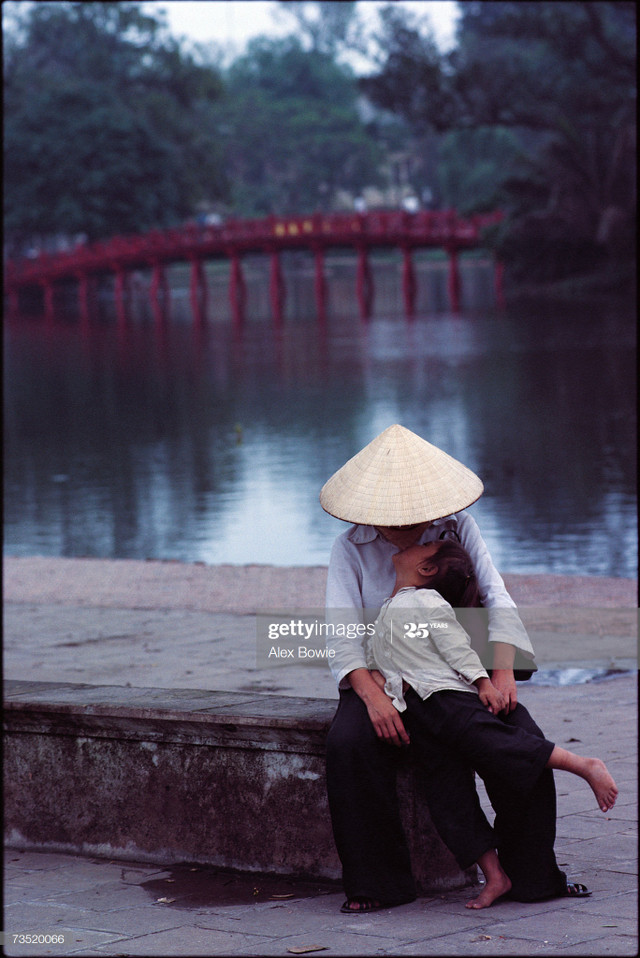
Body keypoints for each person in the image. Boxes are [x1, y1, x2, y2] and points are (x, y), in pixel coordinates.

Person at [320, 424, 593, 913]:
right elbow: (340, 634)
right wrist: (372, 694)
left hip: (459, 673)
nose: (408, 527)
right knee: (349, 744)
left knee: (519, 736)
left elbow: (496, 596)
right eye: (393, 520)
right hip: (380, 676)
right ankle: (378, 885)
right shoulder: (349, 548)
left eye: (415, 518)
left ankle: (532, 876)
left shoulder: (457, 528)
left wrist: (502, 671)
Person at [366, 538, 617, 909]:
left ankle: (583, 765)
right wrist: (379, 691)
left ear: (427, 569)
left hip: (447, 698)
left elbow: (455, 647)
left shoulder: (427, 602)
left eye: (427, 546)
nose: (419, 541)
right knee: (446, 798)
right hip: (417, 713)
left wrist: (483, 682)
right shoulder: (388, 609)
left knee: (501, 743)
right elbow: (376, 659)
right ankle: (495, 875)